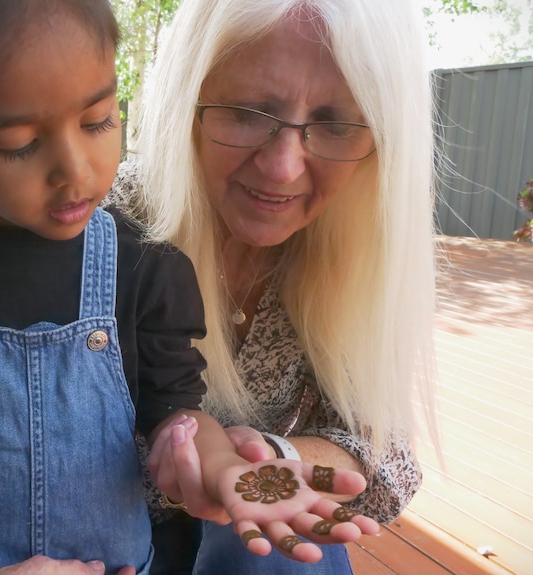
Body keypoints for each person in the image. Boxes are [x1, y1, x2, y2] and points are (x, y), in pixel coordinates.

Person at [0, 1, 379, 575]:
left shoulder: (144, 267)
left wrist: (220, 469)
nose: (76, 169)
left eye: (97, 120)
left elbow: (178, 414)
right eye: (19, 142)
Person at [117, 0, 439, 572]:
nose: (284, 168)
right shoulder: (99, 229)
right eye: (246, 112)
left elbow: (387, 458)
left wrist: (273, 458)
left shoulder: (353, 245)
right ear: (186, 101)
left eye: (336, 125)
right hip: (104, 546)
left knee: (283, 544)